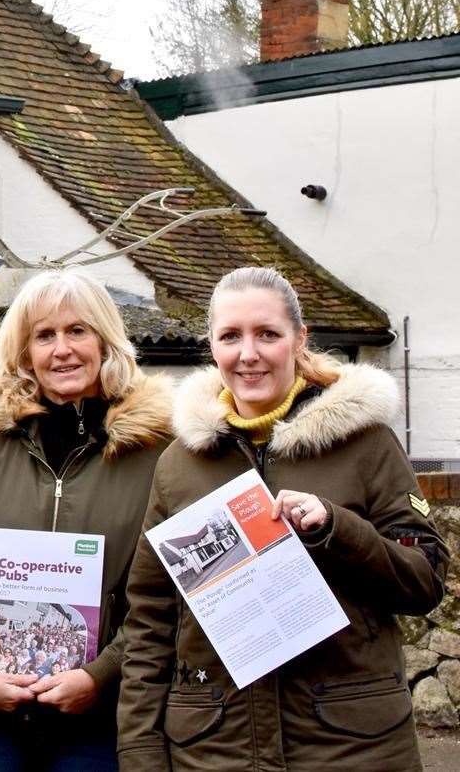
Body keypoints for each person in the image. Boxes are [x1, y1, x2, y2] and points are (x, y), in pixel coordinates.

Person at [116, 267, 448, 771]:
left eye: (267, 334)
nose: (248, 354)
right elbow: (150, 622)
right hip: (214, 749)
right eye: (230, 336)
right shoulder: (180, 462)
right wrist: (140, 751)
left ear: (299, 339)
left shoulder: (367, 443)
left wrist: (336, 530)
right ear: (212, 346)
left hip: (352, 748)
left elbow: (424, 581)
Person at [0, 269, 173, 771]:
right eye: (45, 335)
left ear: (106, 342)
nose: (63, 349)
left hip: (100, 718)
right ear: (24, 353)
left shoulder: (158, 451)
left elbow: (163, 598)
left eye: (78, 330)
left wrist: (100, 676)